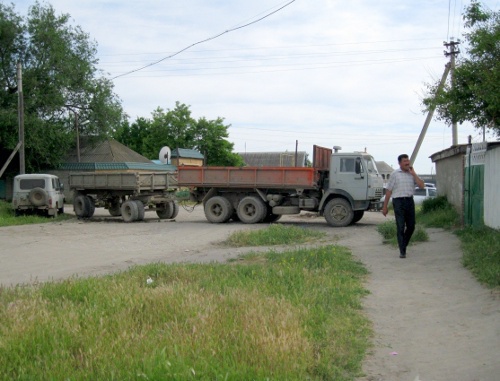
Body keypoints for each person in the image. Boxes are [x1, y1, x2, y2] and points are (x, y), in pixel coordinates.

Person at [382, 154, 424, 258]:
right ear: (400, 163)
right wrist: (385, 206)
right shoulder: (395, 174)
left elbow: (422, 185)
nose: (407, 163)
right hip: (398, 202)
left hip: (409, 201)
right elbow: (388, 191)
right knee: (400, 226)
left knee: (411, 226)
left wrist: (414, 174)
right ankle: (402, 251)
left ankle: (403, 243)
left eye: (408, 161)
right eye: (404, 161)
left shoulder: (412, 173)